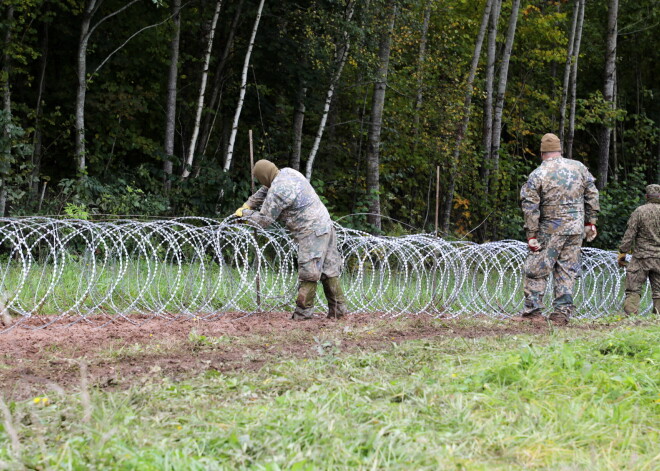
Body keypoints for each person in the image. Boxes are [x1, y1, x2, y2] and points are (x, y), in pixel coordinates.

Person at [234, 159, 348, 321]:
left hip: (311, 231)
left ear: (263, 176)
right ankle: (338, 311)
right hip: (325, 225)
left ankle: (303, 314)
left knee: (309, 272)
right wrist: (249, 204)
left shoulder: (279, 190)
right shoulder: (287, 172)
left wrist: (244, 216)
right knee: (329, 270)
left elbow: (264, 220)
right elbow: (266, 189)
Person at [519, 133, 600, 325]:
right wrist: (591, 221)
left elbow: (530, 206)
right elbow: (592, 193)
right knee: (567, 269)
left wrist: (531, 234)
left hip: (550, 229)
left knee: (537, 268)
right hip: (575, 229)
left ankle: (533, 311)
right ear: (560, 150)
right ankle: (562, 312)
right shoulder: (578, 167)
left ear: (542, 152)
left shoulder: (538, 173)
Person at [617, 184, 660, 316]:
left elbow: (629, 235)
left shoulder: (639, 211)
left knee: (633, 288)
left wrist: (622, 253)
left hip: (641, 258)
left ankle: (631, 317)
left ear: (646, 196)